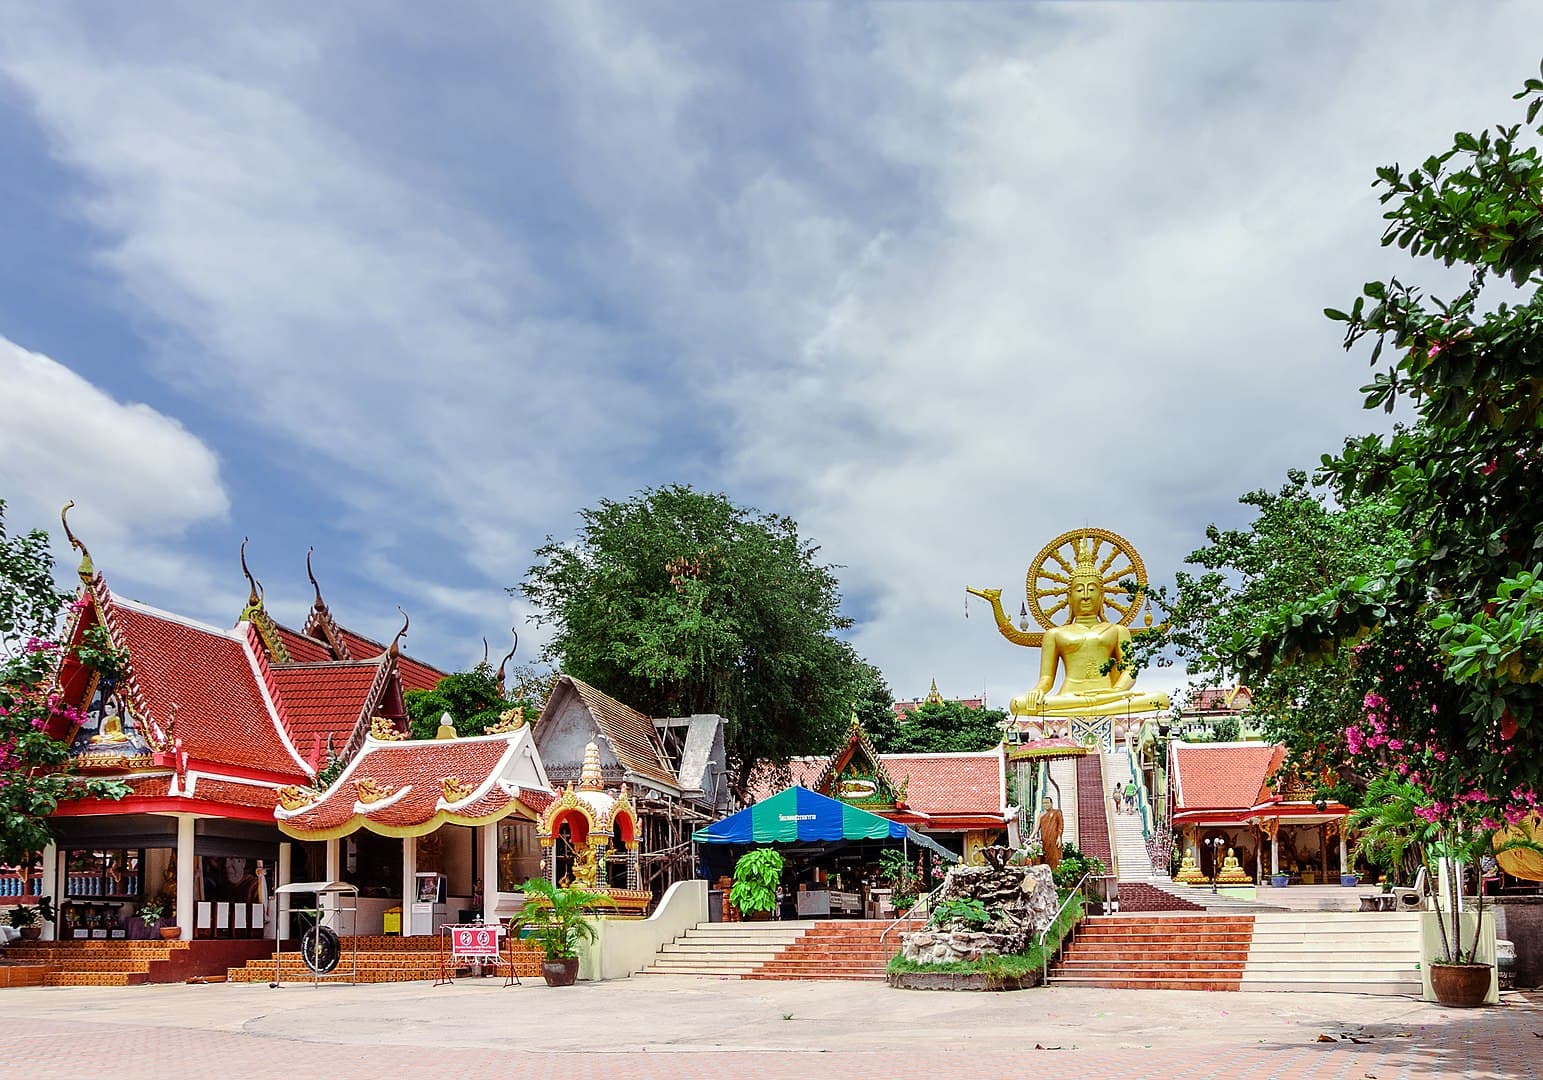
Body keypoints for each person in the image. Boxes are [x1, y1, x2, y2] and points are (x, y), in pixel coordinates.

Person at [1007, 539, 1171, 718]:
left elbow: (1130, 669)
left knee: (1160, 699)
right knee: (1017, 704)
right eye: (1079, 590)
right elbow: (1046, 679)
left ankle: (1095, 706)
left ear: (1102, 595)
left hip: (1110, 696)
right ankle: (1091, 707)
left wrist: (1115, 691)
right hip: (1069, 698)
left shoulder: (1117, 631)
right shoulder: (1054, 634)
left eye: (1092, 590)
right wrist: (1037, 692)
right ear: (1069, 596)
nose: (1085, 596)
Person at [1035, 796, 1065, 871]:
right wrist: (1030, 837)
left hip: (1054, 840)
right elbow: (1036, 829)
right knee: (1045, 858)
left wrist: (1059, 837)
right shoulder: (1041, 815)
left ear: (1051, 803)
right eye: (1044, 803)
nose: (1045, 805)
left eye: (1047, 803)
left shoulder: (1057, 812)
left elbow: (1060, 825)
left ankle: (1057, 875)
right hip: (1045, 841)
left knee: (1055, 858)